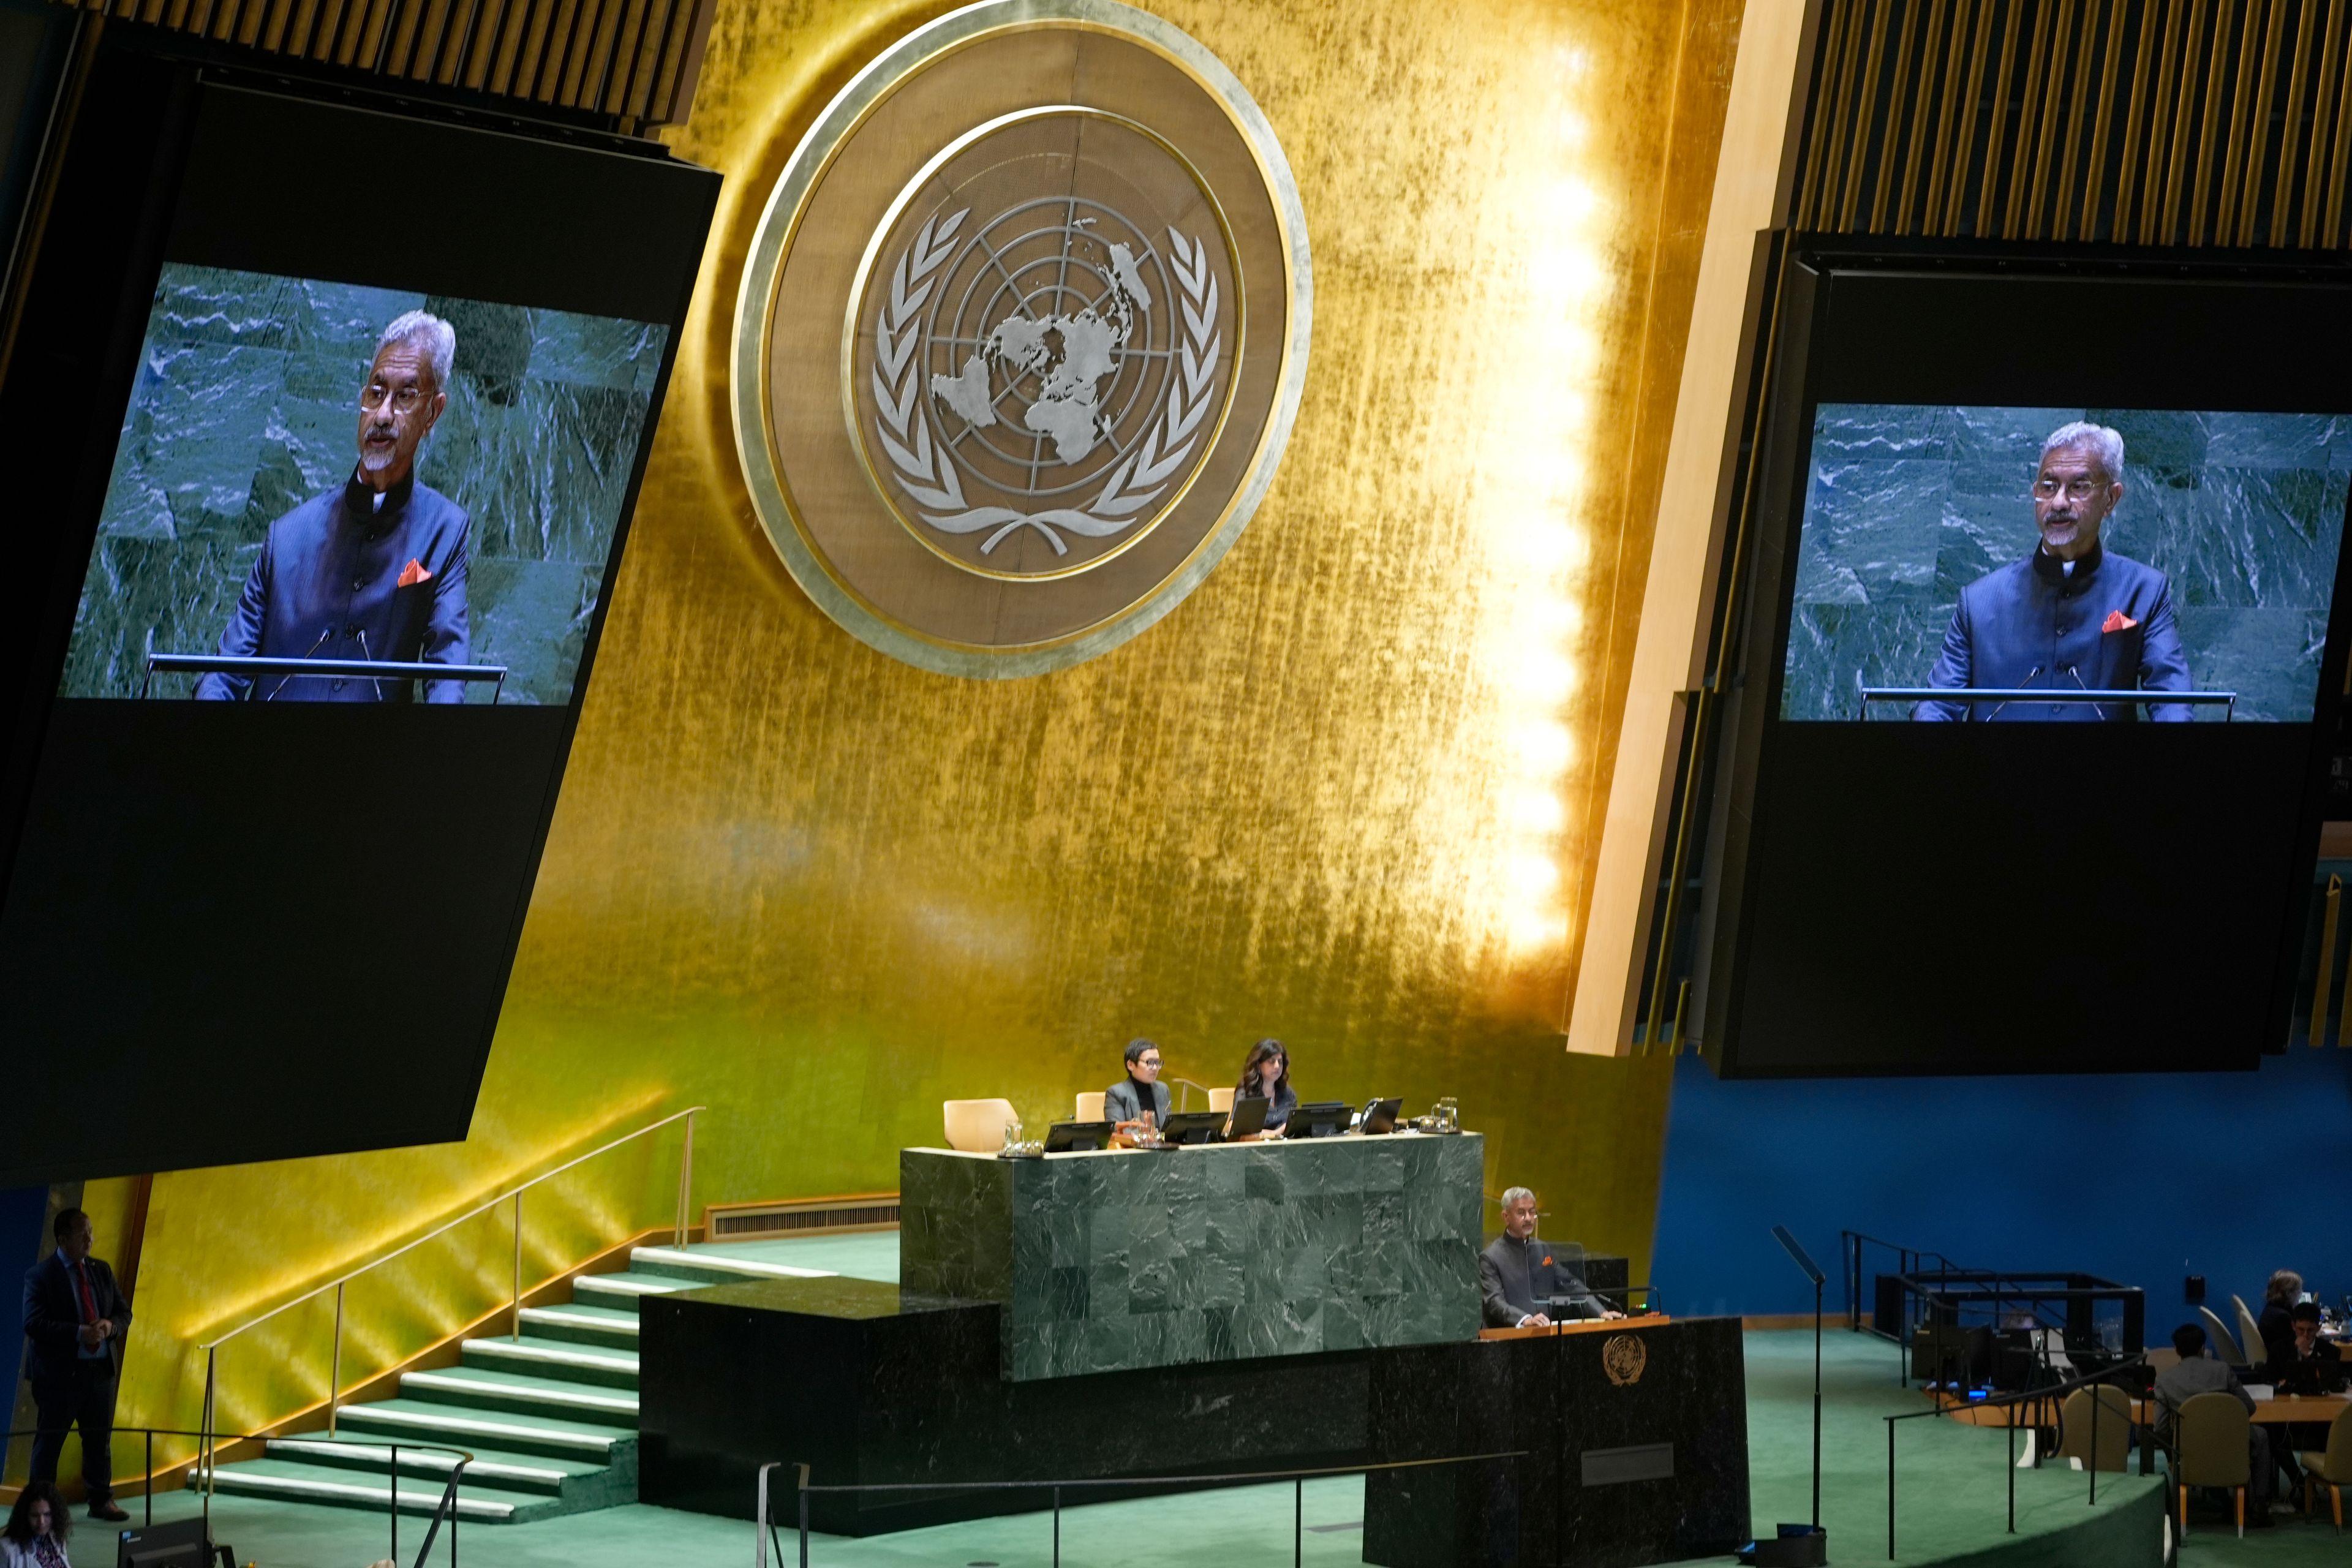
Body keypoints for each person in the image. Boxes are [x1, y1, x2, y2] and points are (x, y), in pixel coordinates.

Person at [196, 311, 472, 703]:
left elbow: (448, 673)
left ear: (432, 413)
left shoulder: (446, 530)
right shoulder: (287, 536)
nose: (382, 415)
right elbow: (223, 673)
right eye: (376, 393)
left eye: (405, 396)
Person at [1914, 421, 2190, 723]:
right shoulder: (1978, 601)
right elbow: (1937, 705)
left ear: (2110, 499)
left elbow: (2172, 702)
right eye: (2048, 486)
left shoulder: (2145, 591)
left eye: (2079, 486)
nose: (2059, 502)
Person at [21, 1208, 131, 1522]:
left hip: (100, 1374)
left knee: (99, 1441)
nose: (90, 1239)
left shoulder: (102, 1270)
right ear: (62, 1238)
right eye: (82, 1234)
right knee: (49, 1442)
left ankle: (101, 1501)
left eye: (91, 1231)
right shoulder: (40, 1275)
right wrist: (78, 1333)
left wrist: (110, 1326)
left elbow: (125, 1313)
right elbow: (33, 1323)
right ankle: (41, 1508)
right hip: (59, 1377)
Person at [2154, 1322, 2272, 1526]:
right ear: (2203, 1348)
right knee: (2260, 1436)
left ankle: (2216, 1497)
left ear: (2177, 1350)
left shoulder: (2164, 1381)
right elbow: (2249, 1408)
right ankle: (2260, 1504)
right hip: (2229, 1447)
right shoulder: (2223, 1370)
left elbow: (2160, 1428)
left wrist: (2175, 1448)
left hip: (2189, 1452)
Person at [1477, 1188, 1624, 1329]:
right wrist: (1525, 1319)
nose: (1528, 1218)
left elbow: (1570, 1283)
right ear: (1506, 1217)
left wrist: (1601, 1312)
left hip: (1547, 1335)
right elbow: (1494, 1301)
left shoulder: (1543, 1248)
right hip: (1509, 1340)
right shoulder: (1491, 1257)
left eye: (1532, 1212)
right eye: (1521, 1213)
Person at [1102, 1038, 1170, 1131]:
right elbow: (1115, 1130)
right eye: (1149, 1062)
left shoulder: (1163, 1089)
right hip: (1132, 1145)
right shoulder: (1116, 1093)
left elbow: (1168, 1127)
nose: (1155, 1068)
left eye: (1157, 1063)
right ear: (1131, 1065)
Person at [1, 1480, 71, 1567]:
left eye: (47, 1515)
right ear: (24, 1515)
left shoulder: (56, 1538)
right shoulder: (7, 1550)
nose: (41, 1522)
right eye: (35, 1515)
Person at [1234, 1038, 1299, 1132]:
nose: (1277, 1066)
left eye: (1280, 1062)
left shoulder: (1288, 1093)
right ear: (1258, 1065)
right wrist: (1275, 1134)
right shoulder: (1246, 1093)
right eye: (1272, 1062)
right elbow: (1235, 1129)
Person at [2256, 1270, 2304, 1376]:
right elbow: (2292, 1351)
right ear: (2289, 1293)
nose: (2301, 1294)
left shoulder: (2272, 1309)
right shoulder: (2282, 1317)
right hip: (2281, 1370)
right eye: (2300, 1290)